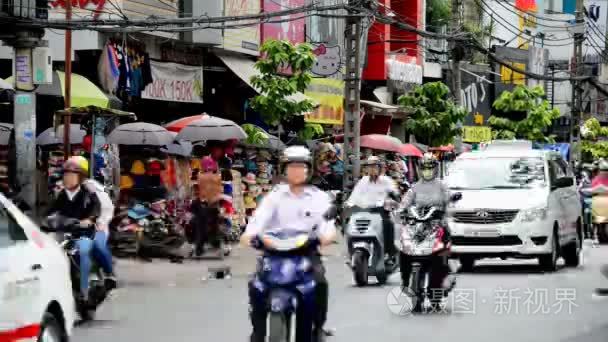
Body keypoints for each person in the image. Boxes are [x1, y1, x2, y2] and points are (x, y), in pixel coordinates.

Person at [241, 146, 337, 342]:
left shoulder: (318, 196)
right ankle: (258, 331)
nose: (297, 171)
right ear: (284, 169)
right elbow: (258, 220)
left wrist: (325, 236)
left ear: (309, 170)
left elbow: (327, 224)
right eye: (292, 166)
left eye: (301, 167)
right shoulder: (274, 196)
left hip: (305, 251)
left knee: (319, 283)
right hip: (274, 252)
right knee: (256, 285)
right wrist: (249, 235)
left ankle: (317, 328)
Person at [47, 156, 116, 303]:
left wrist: (95, 221)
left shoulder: (92, 190)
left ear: (81, 175)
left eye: (72, 173)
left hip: (94, 228)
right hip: (68, 229)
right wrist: (50, 219)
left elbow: (103, 208)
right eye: (66, 173)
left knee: (97, 245)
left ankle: (109, 274)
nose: (68, 177)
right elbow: (53, 210)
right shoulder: (62, 191)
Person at [399, 153, 452, 298]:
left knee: (442, 249)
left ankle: (444, 276)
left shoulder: (442, 185)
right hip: (418, 226)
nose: (427, 171)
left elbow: (449, 198)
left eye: (430, 167)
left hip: (437, 224)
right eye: (424, 168)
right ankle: (404, 280)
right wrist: (400, 211)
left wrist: (449, 204)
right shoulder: (415, 187)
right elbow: (405, 203)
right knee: (404, 247)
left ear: (435, 169)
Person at [346, 155, 399, 265]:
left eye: (374, 167)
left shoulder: (386, 181)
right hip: (364, 212)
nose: (372, 169)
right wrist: (348, 203)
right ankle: (351, 253)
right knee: (349, 225)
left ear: (380, 168)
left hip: (381, 212)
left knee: (388, 225)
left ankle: (389, 254)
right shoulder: (363, 181)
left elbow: (394, 193)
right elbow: (354, 195)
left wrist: (394, 196)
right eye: (369, 167)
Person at [190, 156, 226, 257]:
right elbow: (220, 191)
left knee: (201, 227)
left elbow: (198, 190)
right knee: (214, 225)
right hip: (214, 204)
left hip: (202, 204)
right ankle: (215, 244)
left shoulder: (200, 176)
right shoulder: (217, 176)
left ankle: (199, 248)